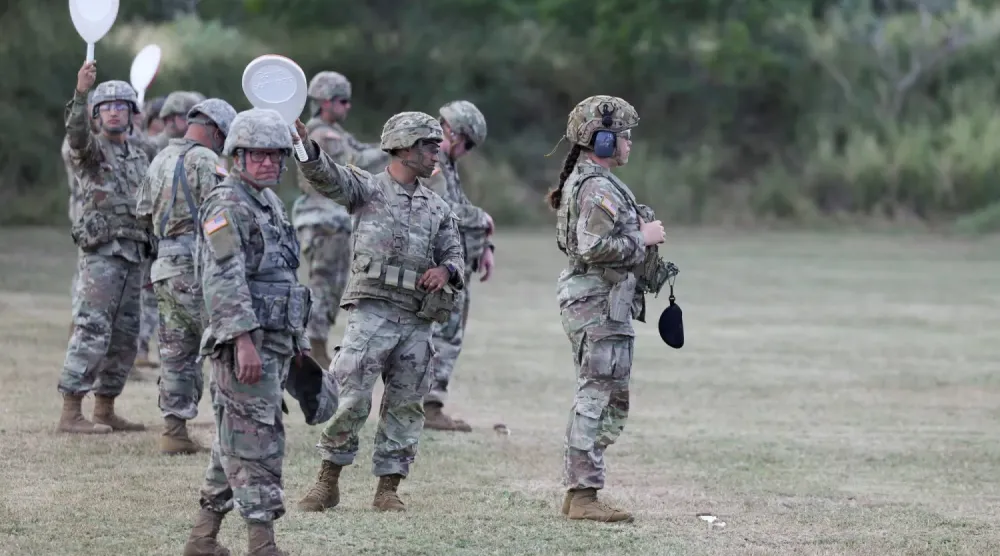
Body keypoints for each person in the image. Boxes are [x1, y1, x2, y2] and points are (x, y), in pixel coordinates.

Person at [294, 112, 465, 513]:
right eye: (428, 145)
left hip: (417, 319)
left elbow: (455, 253)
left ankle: (388, 488)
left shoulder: (437, 207)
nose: (436, 152)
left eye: (437, 145)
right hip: (372, 312)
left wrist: (446, 270)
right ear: (404, 148)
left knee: (406, 403)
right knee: (350, 396)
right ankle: (327, 482)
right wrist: (304, 145)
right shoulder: (367, 189)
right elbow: (325, 175)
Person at [182, 108, 311, 556]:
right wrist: (242, 341)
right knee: (257, 443)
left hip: (274, 342)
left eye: (276, 154)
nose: (268, 162)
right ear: (237, 156)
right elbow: (223, 278)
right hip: (245, 347)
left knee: (234, 440)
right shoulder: (226, 205)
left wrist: (296, 341)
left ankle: (202, 539)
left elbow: (284, 276)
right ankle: (262, 544)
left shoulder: (268, 203)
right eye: (257, 154)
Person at [546, 95, 667, 523]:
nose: (629, 142)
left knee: (604, 393)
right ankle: (584, 495)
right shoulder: (596, 186)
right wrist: (643, 238)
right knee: (597, 395)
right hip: (597, 300)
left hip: (601, 299)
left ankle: (580, 492)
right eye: (623, 135)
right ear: (601, 141)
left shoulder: (595, 181)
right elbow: (592, 246)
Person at [136, 98, 237, 455]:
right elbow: (219, 215)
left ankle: (174, 430)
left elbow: (142, 214)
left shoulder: (159, 158)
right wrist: (230, 260)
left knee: (176, 350)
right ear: (216, 131)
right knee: (223, 345)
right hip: (199, 267)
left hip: (164, 266)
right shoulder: (206, 161)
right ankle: (232, 432)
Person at [57, 61, 151, 434]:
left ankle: (105, 408)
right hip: (101, 255)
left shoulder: (140, 155)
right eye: (106, 107)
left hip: (134, 255)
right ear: (97, 115)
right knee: (92, 329)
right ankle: (70, 411)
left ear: (131, 114)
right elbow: (77, 134)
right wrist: (82, 94)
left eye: (121, 107)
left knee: (126, 336)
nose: (114, 112)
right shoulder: (91, 151)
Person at [292, 70, 390, 368]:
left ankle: (315, 344)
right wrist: (395, 148)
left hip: (332, 220)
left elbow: (363, 150)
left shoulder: (336, 133)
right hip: (323, 221)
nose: (348, 106)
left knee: (333, 285)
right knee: (325, 285)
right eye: (342, 101)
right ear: (325, 102)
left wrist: (394, 145)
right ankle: (313, 347)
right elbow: (355, 162)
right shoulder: (322, 135)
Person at [422, 100, 496, 432]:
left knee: (447, 335)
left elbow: (460, 208)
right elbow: (444, 207)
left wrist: (485, 246)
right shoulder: (432, 162)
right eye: (467, 143)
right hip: (440, 266)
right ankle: (429, 406)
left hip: (455, 265)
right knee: (443, 336)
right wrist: (482, 217)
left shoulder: (447, 165)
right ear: (452, 132)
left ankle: (428, 404)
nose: (467, 151)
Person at [63, 90, 98, 340]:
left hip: (97, 212)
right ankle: (79, 319)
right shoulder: (75, 142)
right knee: (87, 267)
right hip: (84, 212)